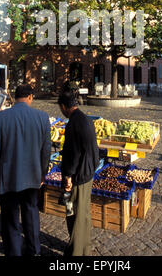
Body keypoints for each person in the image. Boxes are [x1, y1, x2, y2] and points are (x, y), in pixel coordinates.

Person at [0, 84, 51, 256]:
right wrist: (43, 173)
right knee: (31, 213)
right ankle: (34, 249)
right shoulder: (42, 117)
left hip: (8, 177)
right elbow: (46, 151)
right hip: (32, 176)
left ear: (14, 98)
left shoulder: (0, 118)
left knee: (10, 217)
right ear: (30, 97)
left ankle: (14, 251)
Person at [58, 84, 99, 257]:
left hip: (79, 175)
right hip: (88, 172)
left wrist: (68, 176)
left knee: (74, 215)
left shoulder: (73, 123)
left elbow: (73, 153)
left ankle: (76, 253)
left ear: (64, 107)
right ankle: (83, 248)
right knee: (83, 214)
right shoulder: (86, 118)